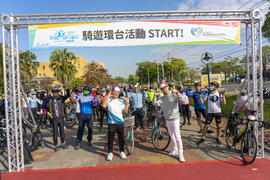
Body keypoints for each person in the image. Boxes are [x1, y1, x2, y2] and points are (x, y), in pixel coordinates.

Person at [153, 83, 186, 162]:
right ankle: (175, 150)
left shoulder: (174, 95)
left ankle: (181, 154)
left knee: (178, 137)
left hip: (175, 119)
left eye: (165, 88)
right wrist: (154, 96)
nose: (164, 90)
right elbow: (155, 103)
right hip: (167, 119)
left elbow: (184, 100)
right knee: (172, 136)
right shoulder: (163, 98)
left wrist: (178, 93)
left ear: (168, 87)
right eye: (162, 89)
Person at [102, 87, 129, 161]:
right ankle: (110, 153)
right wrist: (108, 96)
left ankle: (122, 151)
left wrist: (127, 103)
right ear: (112, 92)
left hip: (120, 122)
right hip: (112, 123)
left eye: (117, 92)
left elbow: (126, 111)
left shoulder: (121, 101)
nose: (116, 93)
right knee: (111, 139)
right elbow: (104, 106)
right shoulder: (109, 100)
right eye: (115, 91)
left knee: (121, 139)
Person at [42, 86, 70, 152]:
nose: (55, 93)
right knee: (55, 132)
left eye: (57, 92)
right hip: (54, 118)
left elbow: (68, 95)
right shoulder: (50, 99)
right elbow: (42, 97)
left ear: (58, 92)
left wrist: (67, 89)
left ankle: (62, 143)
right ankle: (56, 145)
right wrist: (44, 92)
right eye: (54, 92)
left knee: (62, 131)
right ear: (52, 92)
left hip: (61, 117)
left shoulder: (61, 98)